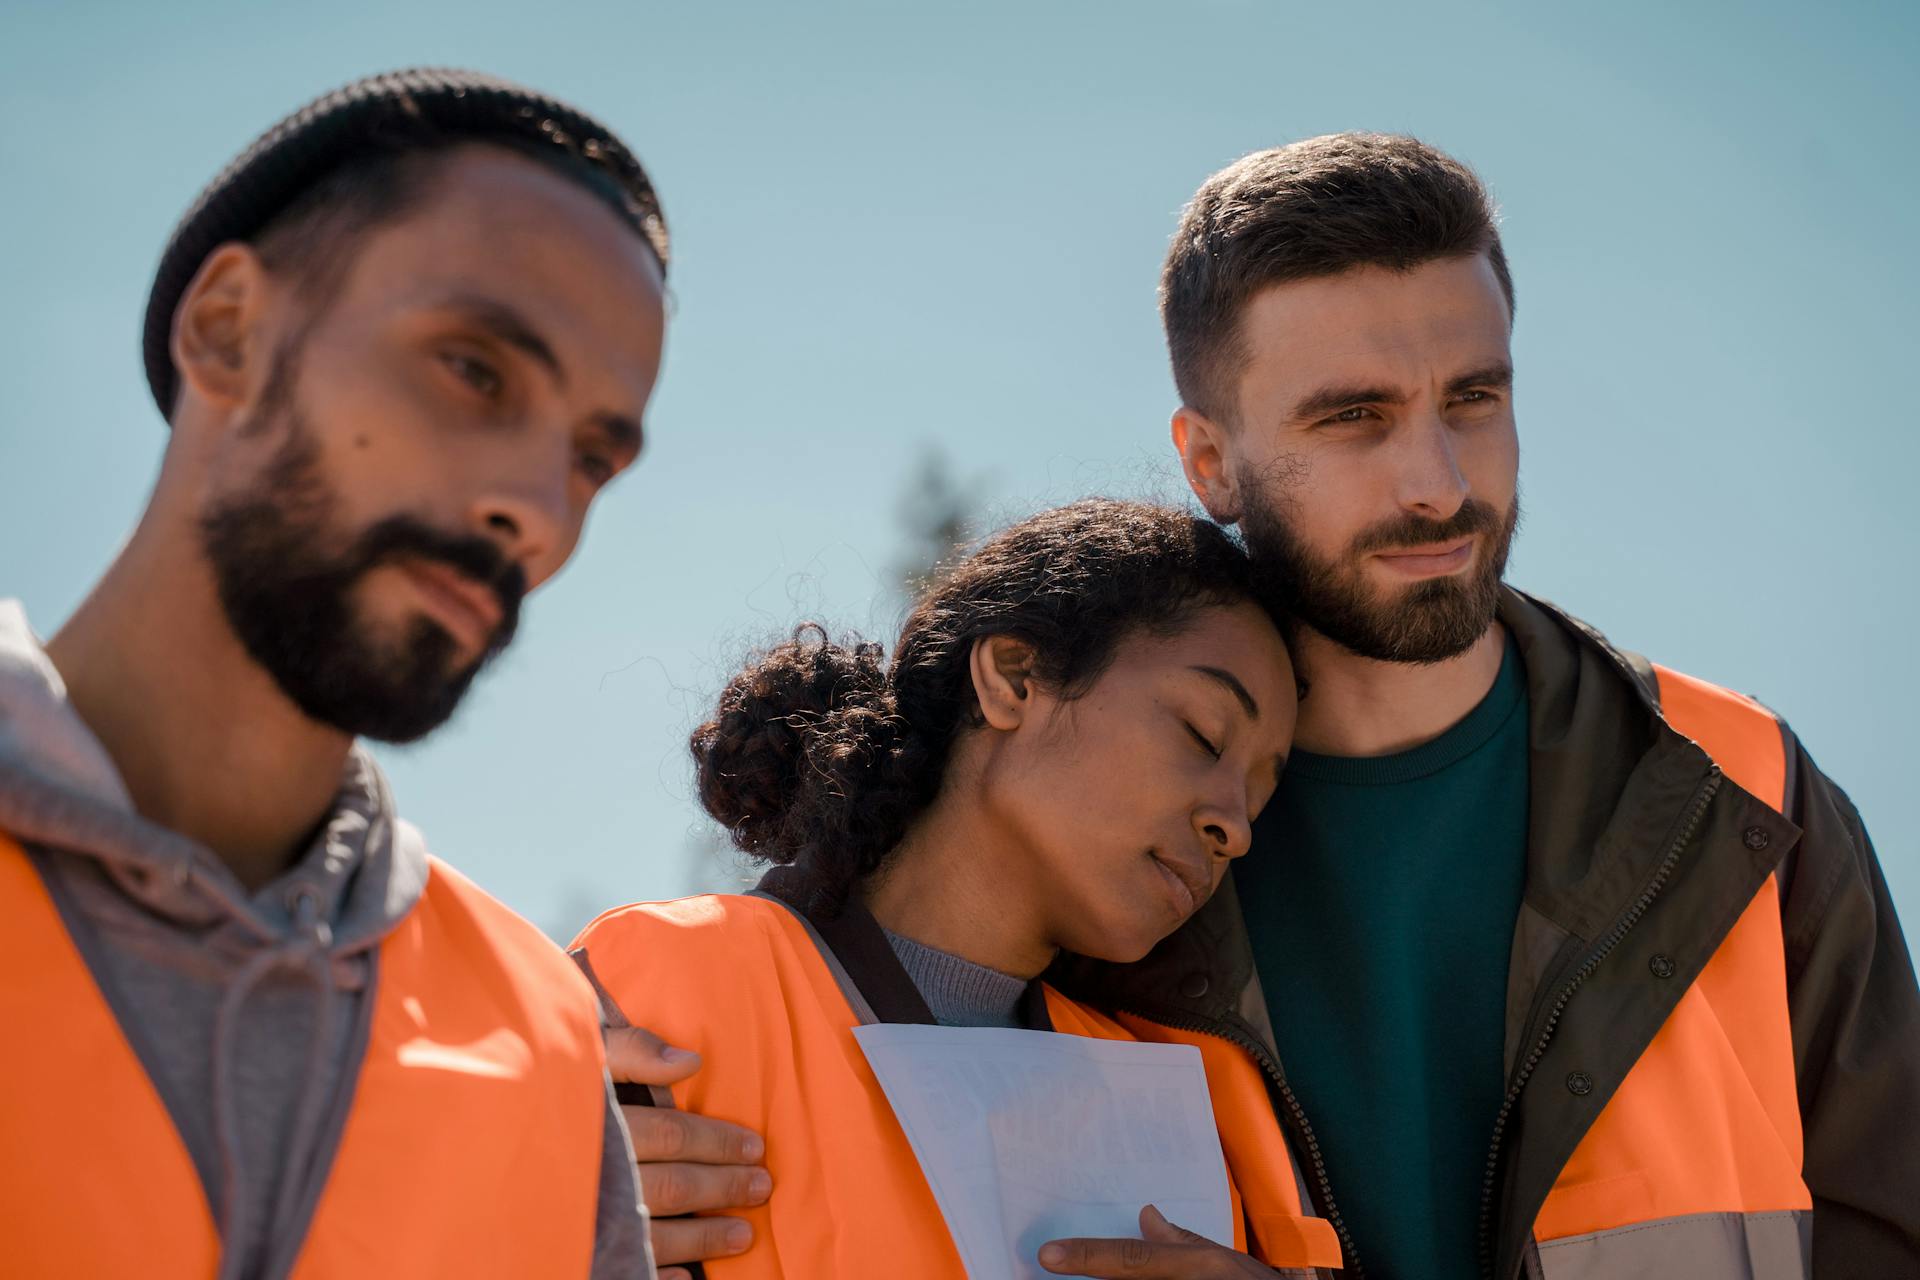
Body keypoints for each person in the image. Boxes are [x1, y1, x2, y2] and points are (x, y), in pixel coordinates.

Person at [614, 135, 1920, 1280]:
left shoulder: (1740, 794)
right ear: (1209, 460)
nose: (1435, 481)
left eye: (1476, 397)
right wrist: (537, 1142)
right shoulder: (1084, 874)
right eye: (1353, 418)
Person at [0, 69, 670, 1279]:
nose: (532, 508)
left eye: (590, 457)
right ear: (228, 332)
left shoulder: (545, 1031)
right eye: (475, 370)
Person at [574, 499, 1344, 1278]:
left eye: (1258, 795)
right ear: (1013, 677)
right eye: (1203, 735)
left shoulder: (1206, 1105)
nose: (1235, 827)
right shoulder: (668, 985)